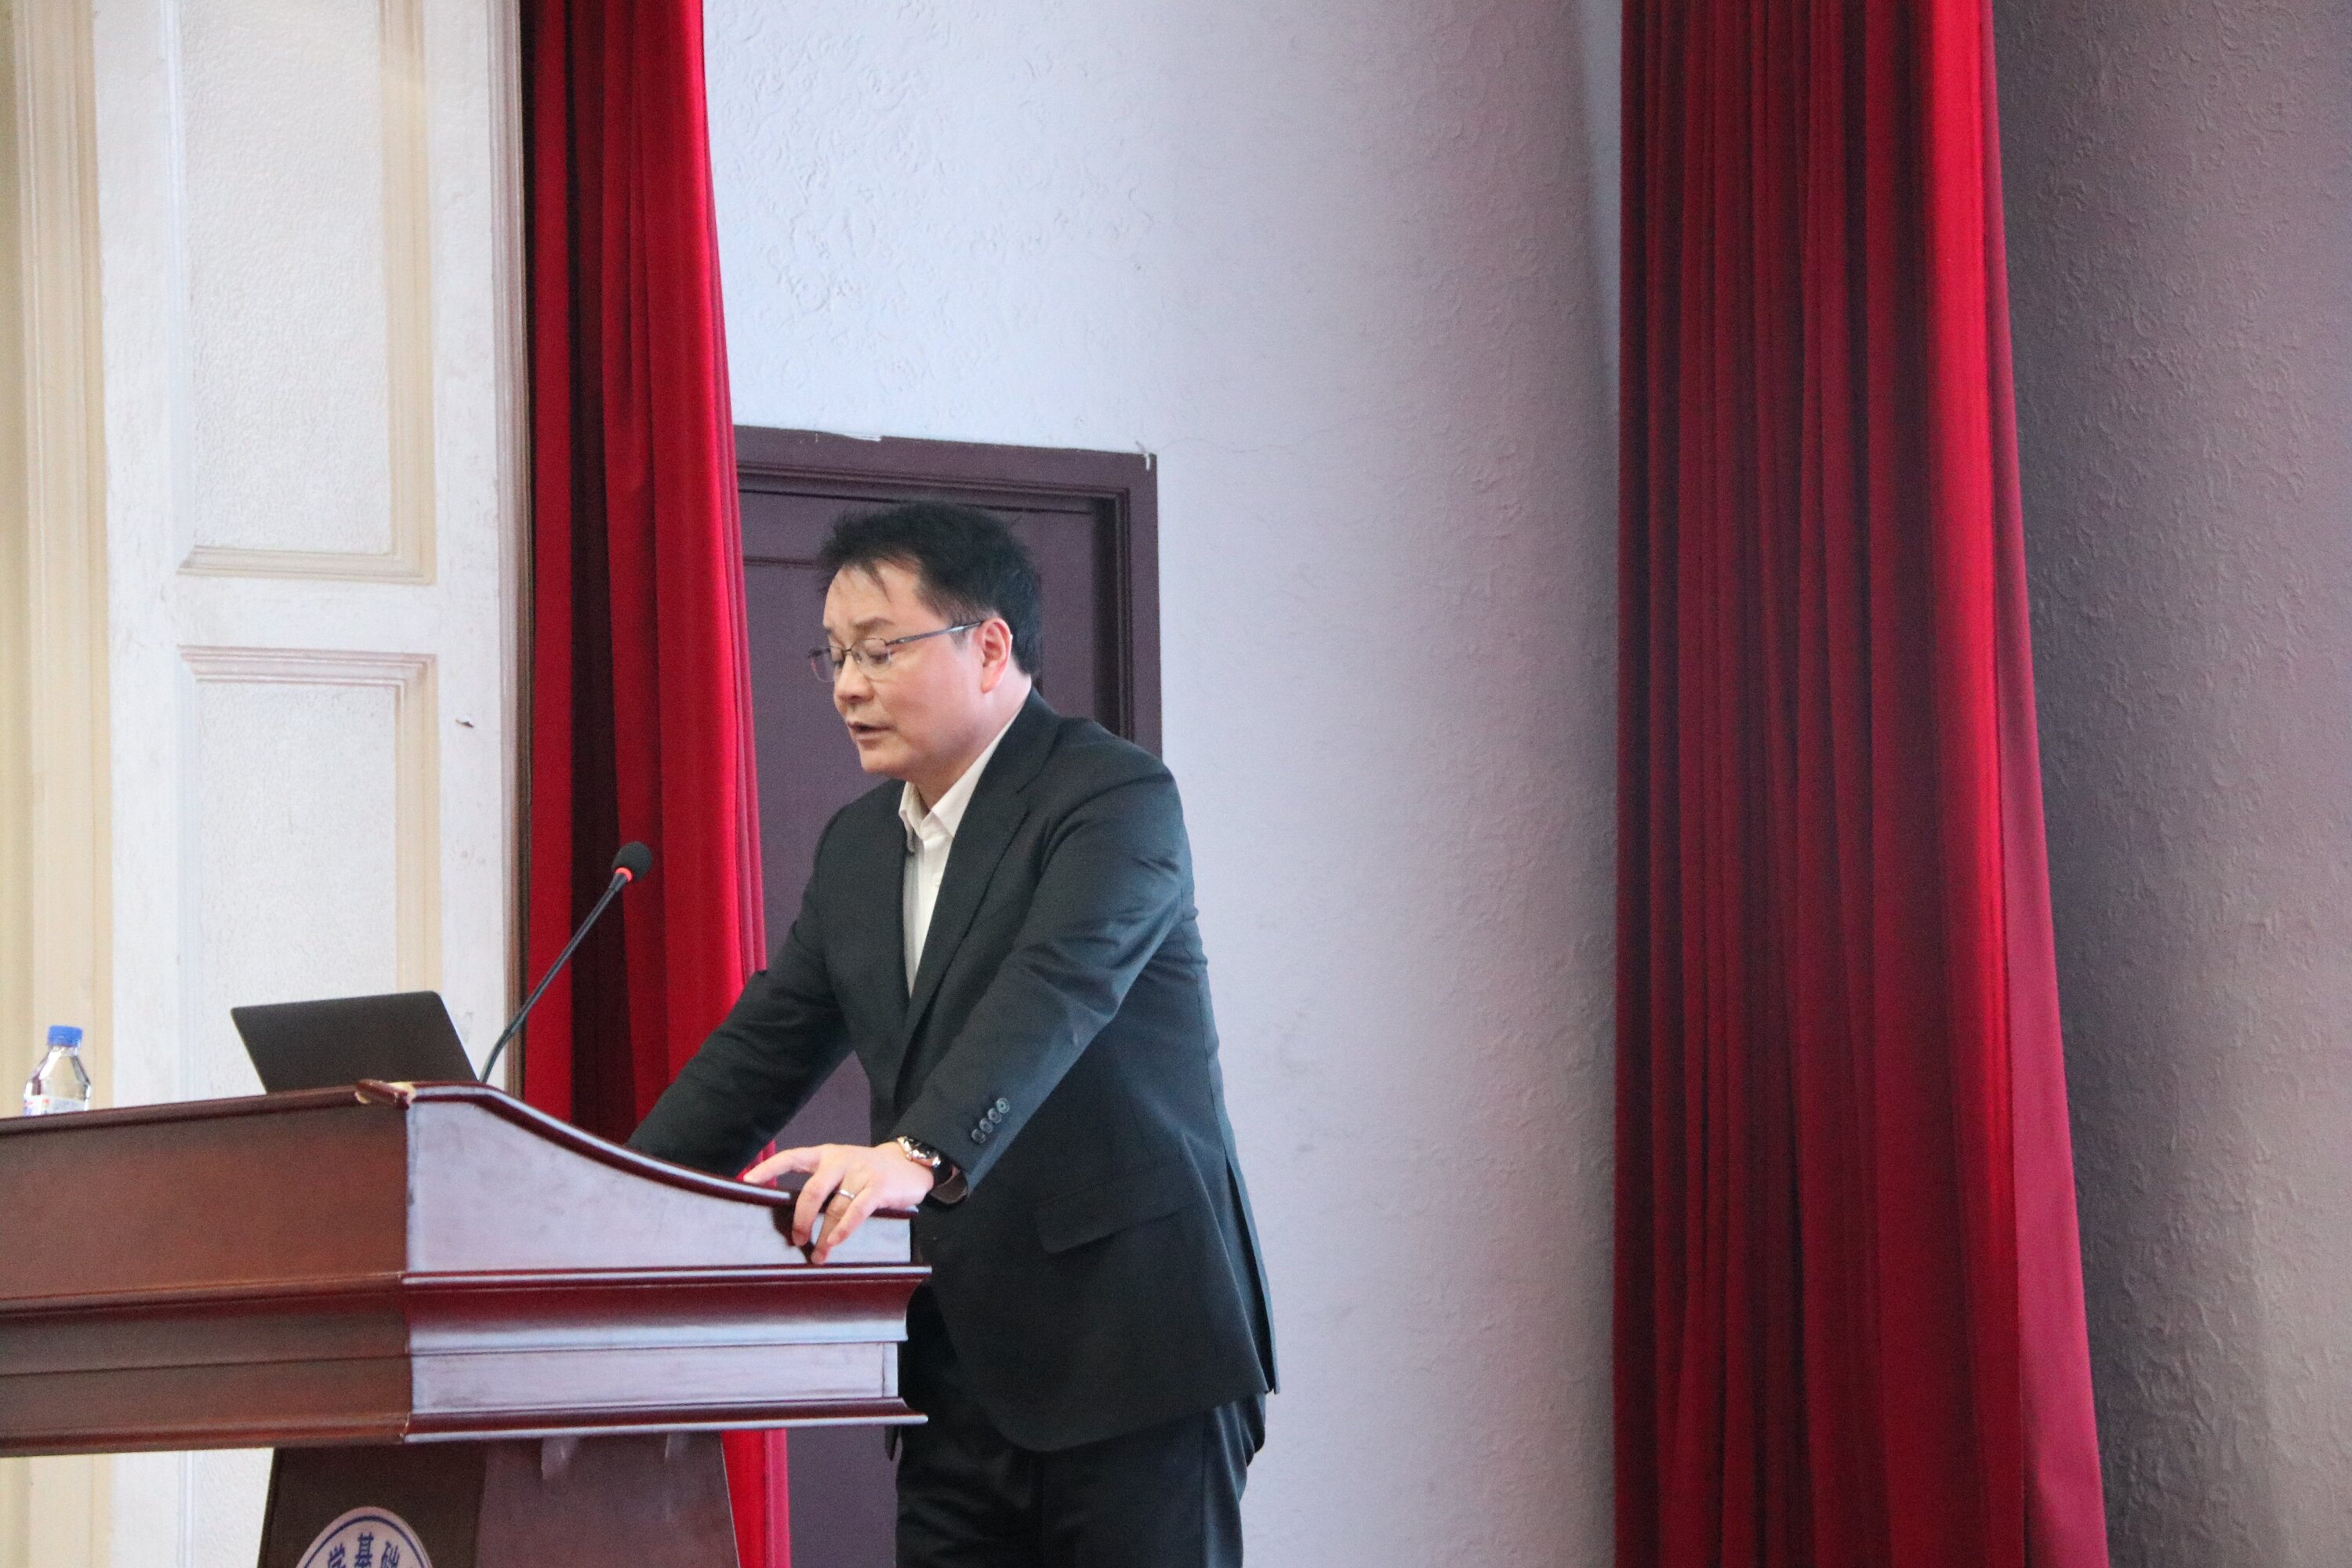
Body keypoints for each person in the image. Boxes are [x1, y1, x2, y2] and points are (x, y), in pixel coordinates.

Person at [627, 502, 1275, 1566]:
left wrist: (916, 1153)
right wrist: (614, 1201)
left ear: (988, 646)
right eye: (835, 655)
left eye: (880, 650)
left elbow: (1055, 991)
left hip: (1136, 1356)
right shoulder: (858, 849)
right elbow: (762, 1051)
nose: (848, 686)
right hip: (958, 1374)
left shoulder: (1111, 797)